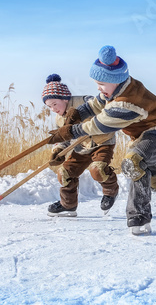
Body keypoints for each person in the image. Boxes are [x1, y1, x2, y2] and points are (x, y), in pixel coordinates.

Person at [48, 46, 156, 234]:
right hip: (147, 132)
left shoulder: (126, 103)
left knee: (133, 164)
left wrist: (70, 131)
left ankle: (139, 217)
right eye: (97, 83)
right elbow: (96, 104)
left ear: (114, 80)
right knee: (155, 180)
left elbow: (100, 125)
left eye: (101, 83)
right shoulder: (117, 87)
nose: (98, 87)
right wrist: (76, 113)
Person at [42, 73, 119, 217]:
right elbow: (65, 139)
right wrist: (59, 151)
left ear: (64, 98)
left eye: (54, 104)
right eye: (49, 107)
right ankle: (68, 205)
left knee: (97, 170)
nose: (53, 109)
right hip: (82, 147)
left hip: (102, 142)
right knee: (64, 173)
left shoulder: (82, 101)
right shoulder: (59, 119)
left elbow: (99, 105)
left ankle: (110, 192)